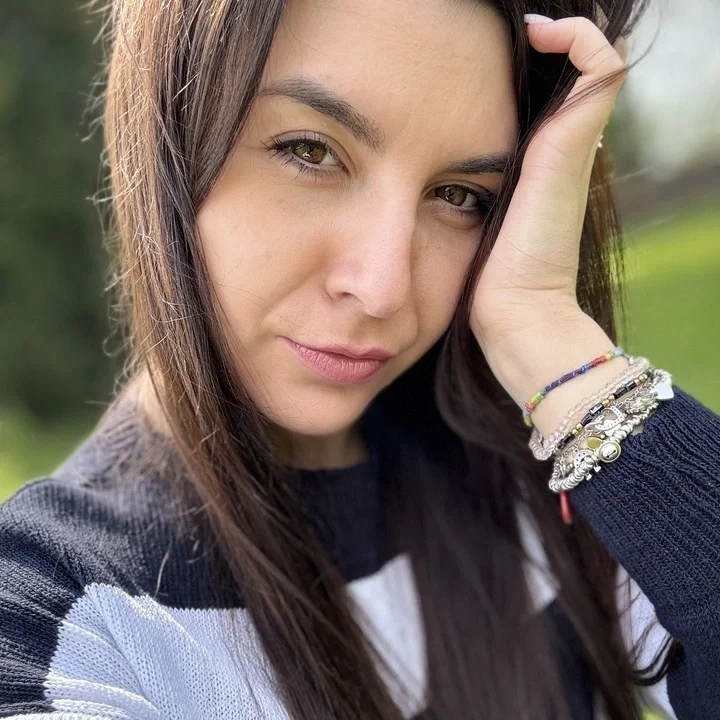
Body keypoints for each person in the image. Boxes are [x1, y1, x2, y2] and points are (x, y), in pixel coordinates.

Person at [0, 0, 718, 718]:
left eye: (460, 196)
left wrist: (549, 336)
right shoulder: (57, 614)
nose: (383, 287)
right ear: (171, 129)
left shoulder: (559, 472)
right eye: (310, 151)